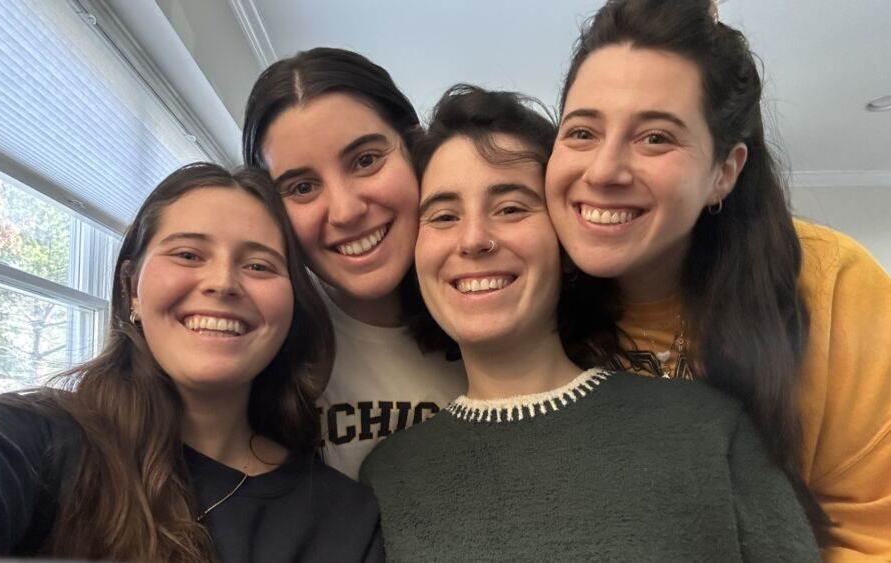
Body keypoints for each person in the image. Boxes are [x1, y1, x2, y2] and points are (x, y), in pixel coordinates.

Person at [360, 84, 819, 562]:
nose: (473, 239)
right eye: (443, 215)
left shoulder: (710, 430)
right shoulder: (389, 477)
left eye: (511, 207)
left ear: (568, 244)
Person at [0, 163, 383, 562]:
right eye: (189, 254)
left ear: (292, 305)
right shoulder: (42, 444)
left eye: (259, 265)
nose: (223, 283)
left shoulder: (346, 516)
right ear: (132, 287)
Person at [544, 0, 891, 558]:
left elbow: (874, 532)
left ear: (723, 173)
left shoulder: (833, 286)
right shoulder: (524, 290)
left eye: (655, 137)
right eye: (582, 131)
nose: (604, 170)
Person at [242, 48, 466, 478]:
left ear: (415, 146)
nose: (345, 211)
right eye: (303, 187)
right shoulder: (264, 351)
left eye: (366, 161)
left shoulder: (501, 307)